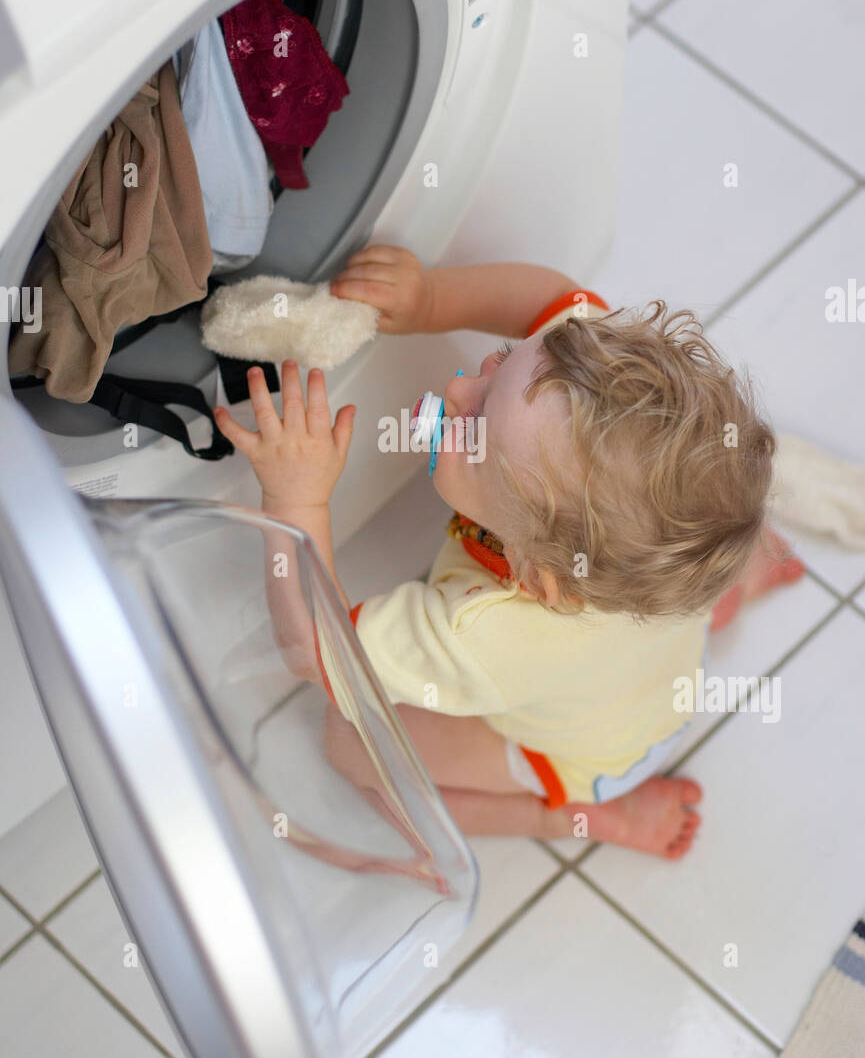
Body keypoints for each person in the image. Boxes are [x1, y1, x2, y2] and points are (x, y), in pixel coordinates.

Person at [214, 247, 804, 860]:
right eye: (498, 364)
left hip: (584, 756)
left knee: (347, 747)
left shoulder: (485, 631)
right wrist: (428, 301)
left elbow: (314, 651)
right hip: (668, 653)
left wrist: (296, 501)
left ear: (535, 577)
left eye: (474, 433)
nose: (457, 388)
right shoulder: (586, 392)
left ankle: (593, 820)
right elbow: (547, 300)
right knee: (674, 561)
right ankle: (734, 580)